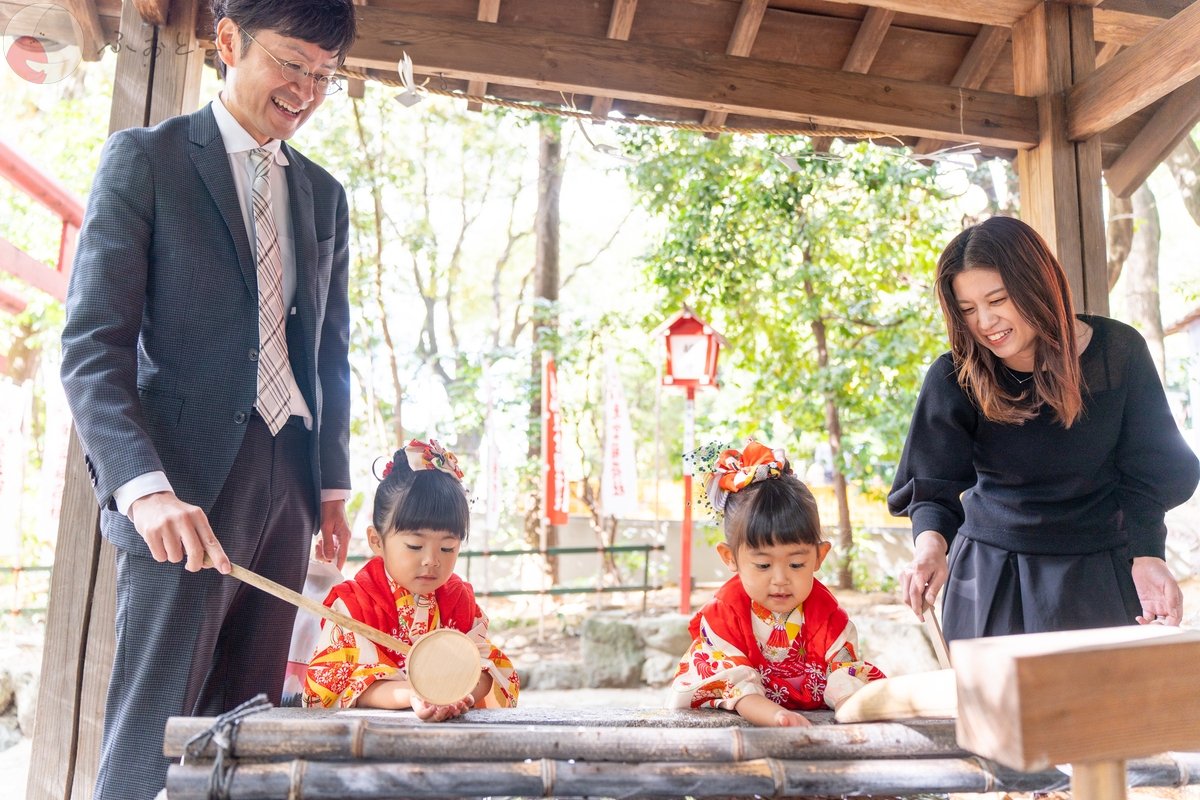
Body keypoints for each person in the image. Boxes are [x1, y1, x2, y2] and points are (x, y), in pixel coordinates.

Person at [59, 1, 356, 796]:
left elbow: (330, 351)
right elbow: (92, 345)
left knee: (251, 723)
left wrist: (330, 485)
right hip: (180, 490)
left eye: (324, 75)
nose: (305, 90)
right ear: (229, 42)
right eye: (291, 63)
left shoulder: (324, 196)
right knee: (157, 720)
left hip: (288, 481)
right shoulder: (146, 161)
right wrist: (143, 488)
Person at [889, 216, 1199, 643]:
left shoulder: (1118, 353)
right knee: (994, 710)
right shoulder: (954, 376)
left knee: (1103, 708)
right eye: (967, 310)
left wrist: (1149, 554)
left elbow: (1149, 469)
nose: (984, 322)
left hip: (1099, 569)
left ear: (1036, 284)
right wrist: (929, 550)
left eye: (997, 300)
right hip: (990, 572)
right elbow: (932, 483)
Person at [668, 441, 885, 726]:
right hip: (741, 724)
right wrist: (776, 716)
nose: (780, 579)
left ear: (819, 556)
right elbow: (730, 684)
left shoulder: (825, 614)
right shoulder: (725, 612)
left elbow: (843, 671)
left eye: (796, 564)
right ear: (729, 557)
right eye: (763, 565)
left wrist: (848, 705)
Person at [304, 439, 519, 718]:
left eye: (447, 548)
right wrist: (415, 694)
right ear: (376, 541)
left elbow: (487, 668)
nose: (432, 560)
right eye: (415, 546)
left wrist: (460, 694)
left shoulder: (458, 600)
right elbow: (334, 684)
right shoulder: (353, 606)